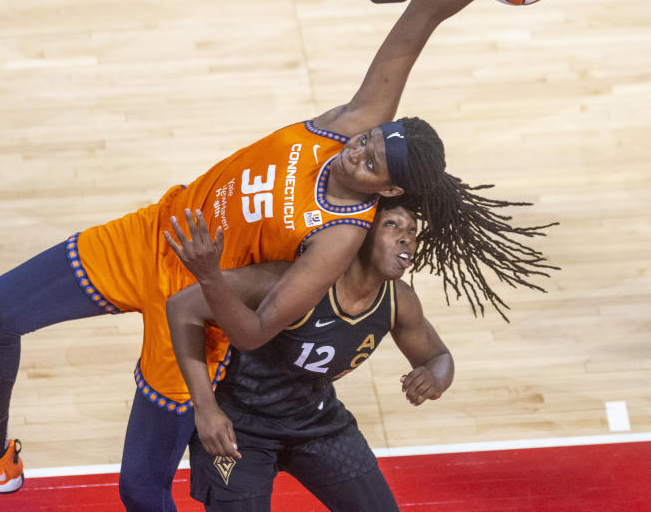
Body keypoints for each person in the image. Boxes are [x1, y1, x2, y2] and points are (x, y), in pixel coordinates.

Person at [0, 0, 554, 510]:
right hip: (155, 233)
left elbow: (252, 331)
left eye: (371, 160)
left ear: (385, 192)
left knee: (141, 489)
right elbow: (420, 14)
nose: (359, 149)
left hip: (196, 302)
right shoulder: (345, 125)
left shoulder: (333, 240)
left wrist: (209, 271)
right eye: (368, 139)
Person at [164, 200, 453, 510]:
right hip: (241, 424)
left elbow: (438, 356)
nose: (406, 237)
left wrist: (435, 377)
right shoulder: (294, 279)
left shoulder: (400, 301)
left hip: (315, 420)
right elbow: (183, 307)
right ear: (362, 234)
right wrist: (205, 409)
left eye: (412, 230)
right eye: (392, 225)